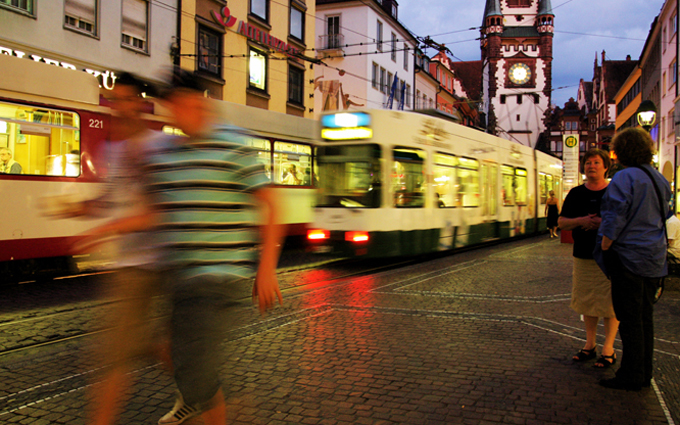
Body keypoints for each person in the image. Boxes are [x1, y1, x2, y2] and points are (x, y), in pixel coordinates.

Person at [148, 70, 284, 425]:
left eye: (175, 107)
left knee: (196, 370)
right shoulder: (172, 153)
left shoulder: (232, 143)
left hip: (219, 276)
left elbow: (272, 204)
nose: (170, 116)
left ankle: (203, 399)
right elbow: (159, 211)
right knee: (170, 352)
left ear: (194, 103)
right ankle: (195, 395)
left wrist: (266, 269)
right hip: (180, 273)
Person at [51, 72, 163, 425]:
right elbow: (111, 199)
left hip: (157, 261)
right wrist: (80, 209)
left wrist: (105, 229)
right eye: (115, 100)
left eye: (128, 100)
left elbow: (156, 212)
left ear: (142, 104)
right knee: (139, 347)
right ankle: (201, 393)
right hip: (129, 264)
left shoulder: (157, 148)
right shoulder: (112, 150)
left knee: (112, 356)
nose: (121, 107)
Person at [598, 127, 670, 391]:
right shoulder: (658, 178)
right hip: (654, 258)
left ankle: (630, 375)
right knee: (645, 318)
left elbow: (615, 214)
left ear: (622, 150)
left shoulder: (625, 177)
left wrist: (606, 244)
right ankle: (644, 372)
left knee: (629, 319)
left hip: (628, 257)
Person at [558, 149, 620, 369]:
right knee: (587, 302)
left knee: (610, 303)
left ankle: (609, 348)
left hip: (610, 255)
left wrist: (603, 223)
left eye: (596, 162)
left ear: (605, 167)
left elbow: (624, 220)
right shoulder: (575, 193)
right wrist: (582, 220)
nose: (591, 166)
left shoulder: (615, 191)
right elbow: (562, 223)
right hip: (583, 254)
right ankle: (590, 344)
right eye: (588, 162)